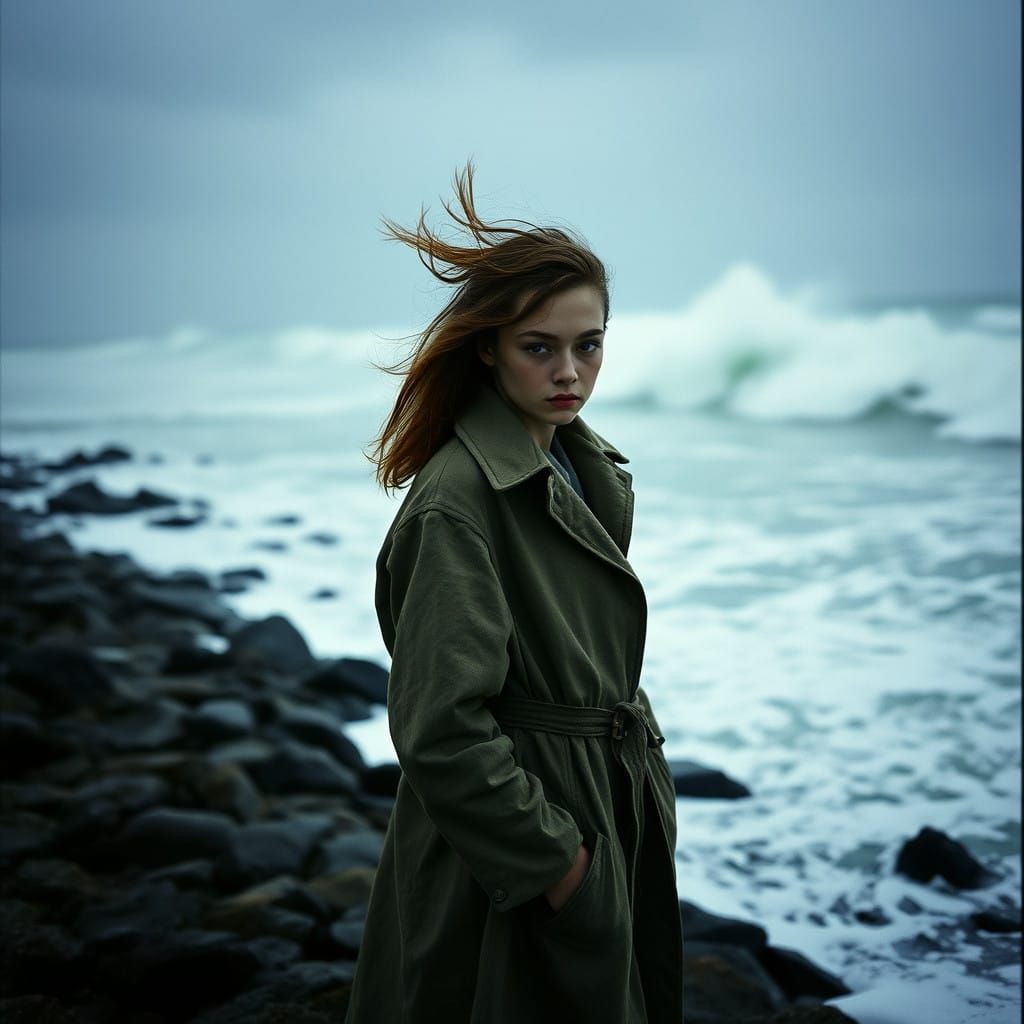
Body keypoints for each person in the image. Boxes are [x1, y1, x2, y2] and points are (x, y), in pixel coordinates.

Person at [345, 162, 684, 1023]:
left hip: (600, 809)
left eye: (590, 343)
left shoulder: (583, 467)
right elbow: (439, 728)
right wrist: (558, 867)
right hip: (512, 853)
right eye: (540, 347)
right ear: (489, 346)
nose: (570, 370)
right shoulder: (461, 501)